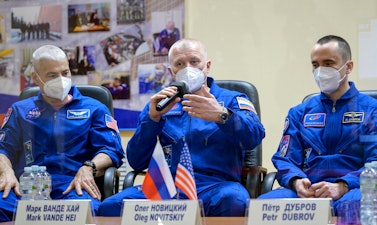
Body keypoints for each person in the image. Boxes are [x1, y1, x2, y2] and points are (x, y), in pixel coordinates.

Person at [98, 38, 265, 217]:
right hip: (166, 186)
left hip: (215, 186)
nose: (188, 68)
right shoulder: (160, 103)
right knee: (110, 207)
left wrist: (222, 115)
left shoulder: (232, 99)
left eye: (194, 62)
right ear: (171, 71)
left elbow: (254, 136)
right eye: (180, 63)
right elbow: (136, 161)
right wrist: (152, 119)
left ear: (207, 66)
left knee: (234, 201)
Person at [257, 35, 377, 214]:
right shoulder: (299, 113)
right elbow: (285, 159)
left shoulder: (375, 110)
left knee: (359, 205)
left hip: (354, 190)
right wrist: (297, 182)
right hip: (309, 191)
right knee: (264, 206)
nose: (320, 71)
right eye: (315, 65)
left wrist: (343, 185)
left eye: (328, 63)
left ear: (348, 66)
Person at [0, 45, 125, 221]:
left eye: (65, 73)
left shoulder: (94, 108)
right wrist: (6, 171)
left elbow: (111, 150)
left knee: (84, 213)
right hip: (27, 188)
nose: (61, 79)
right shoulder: (20, 110)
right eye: (52, 75)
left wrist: (89, 167)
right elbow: (3, 148)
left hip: (74, 185)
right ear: (36, 78)